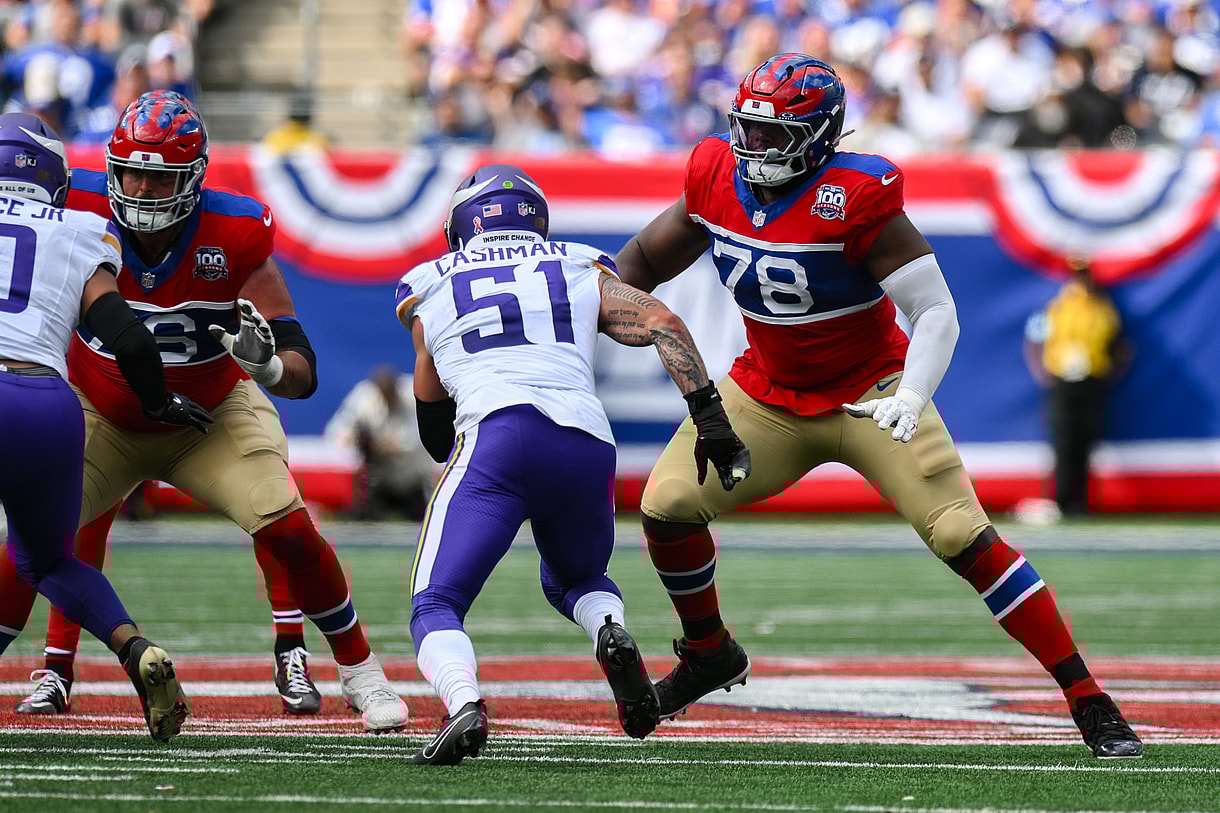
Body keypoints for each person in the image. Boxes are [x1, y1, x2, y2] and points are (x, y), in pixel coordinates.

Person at [612, 53, 1143, 760]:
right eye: (749, 130)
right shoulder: (714, 176)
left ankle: (1088, 697)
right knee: (667, 503)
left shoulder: (854, 194)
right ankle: (709, 651)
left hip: (872, 391)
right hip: (767, 391)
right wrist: (592, 299)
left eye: (776, 136)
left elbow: (936, 312)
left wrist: (913, 395)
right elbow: (639, 264)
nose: (756, 149)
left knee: (962, 534)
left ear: (821, 133)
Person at [0, 90, 408, 732]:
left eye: (156, 176)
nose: (136, 187)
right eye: (127, 170)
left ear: (191, 179)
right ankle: (54, 668)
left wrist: (268, 364)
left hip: (209, 413)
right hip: (100, 414)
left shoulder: (234, 232)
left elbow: (301, 372)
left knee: (289, 528)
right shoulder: (72, 200)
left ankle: (361, 671)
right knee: (24, 549)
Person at [396, 164, 750, 765]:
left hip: (498, 435)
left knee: (436, 601)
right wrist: (710, 416)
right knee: (576, 579)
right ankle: (608, 627)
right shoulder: (578, 263)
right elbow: (662, 323)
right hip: (585, 441)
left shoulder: (430, 281)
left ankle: (463, 704)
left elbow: (432, 422)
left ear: (461, 224)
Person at [0, 111, 210, 742]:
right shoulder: (80, 229)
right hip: (46, 403)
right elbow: (131, 341)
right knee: (48, 561)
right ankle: (134, 648)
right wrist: (160, 405)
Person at [1023, 257, 1130, 517]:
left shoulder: (1103, 309)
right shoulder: (1055, 308)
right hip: (1063, 382)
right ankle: (1061, 500)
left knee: (1085, 440)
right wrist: (1043, 374)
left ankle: (1079, 503)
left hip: (1091, 381)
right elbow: (1034, 340)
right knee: (1063, 441)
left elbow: (1121, 348)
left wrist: (1107, 375)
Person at [324, 364, 435, 521]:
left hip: (413, 480)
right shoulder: (364, 397)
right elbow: (337, 431)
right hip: (380, 480)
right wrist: (354, 439)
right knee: (364, 523)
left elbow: (420, 436)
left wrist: (389, 445)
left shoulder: (413, 393)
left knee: (425, 524)